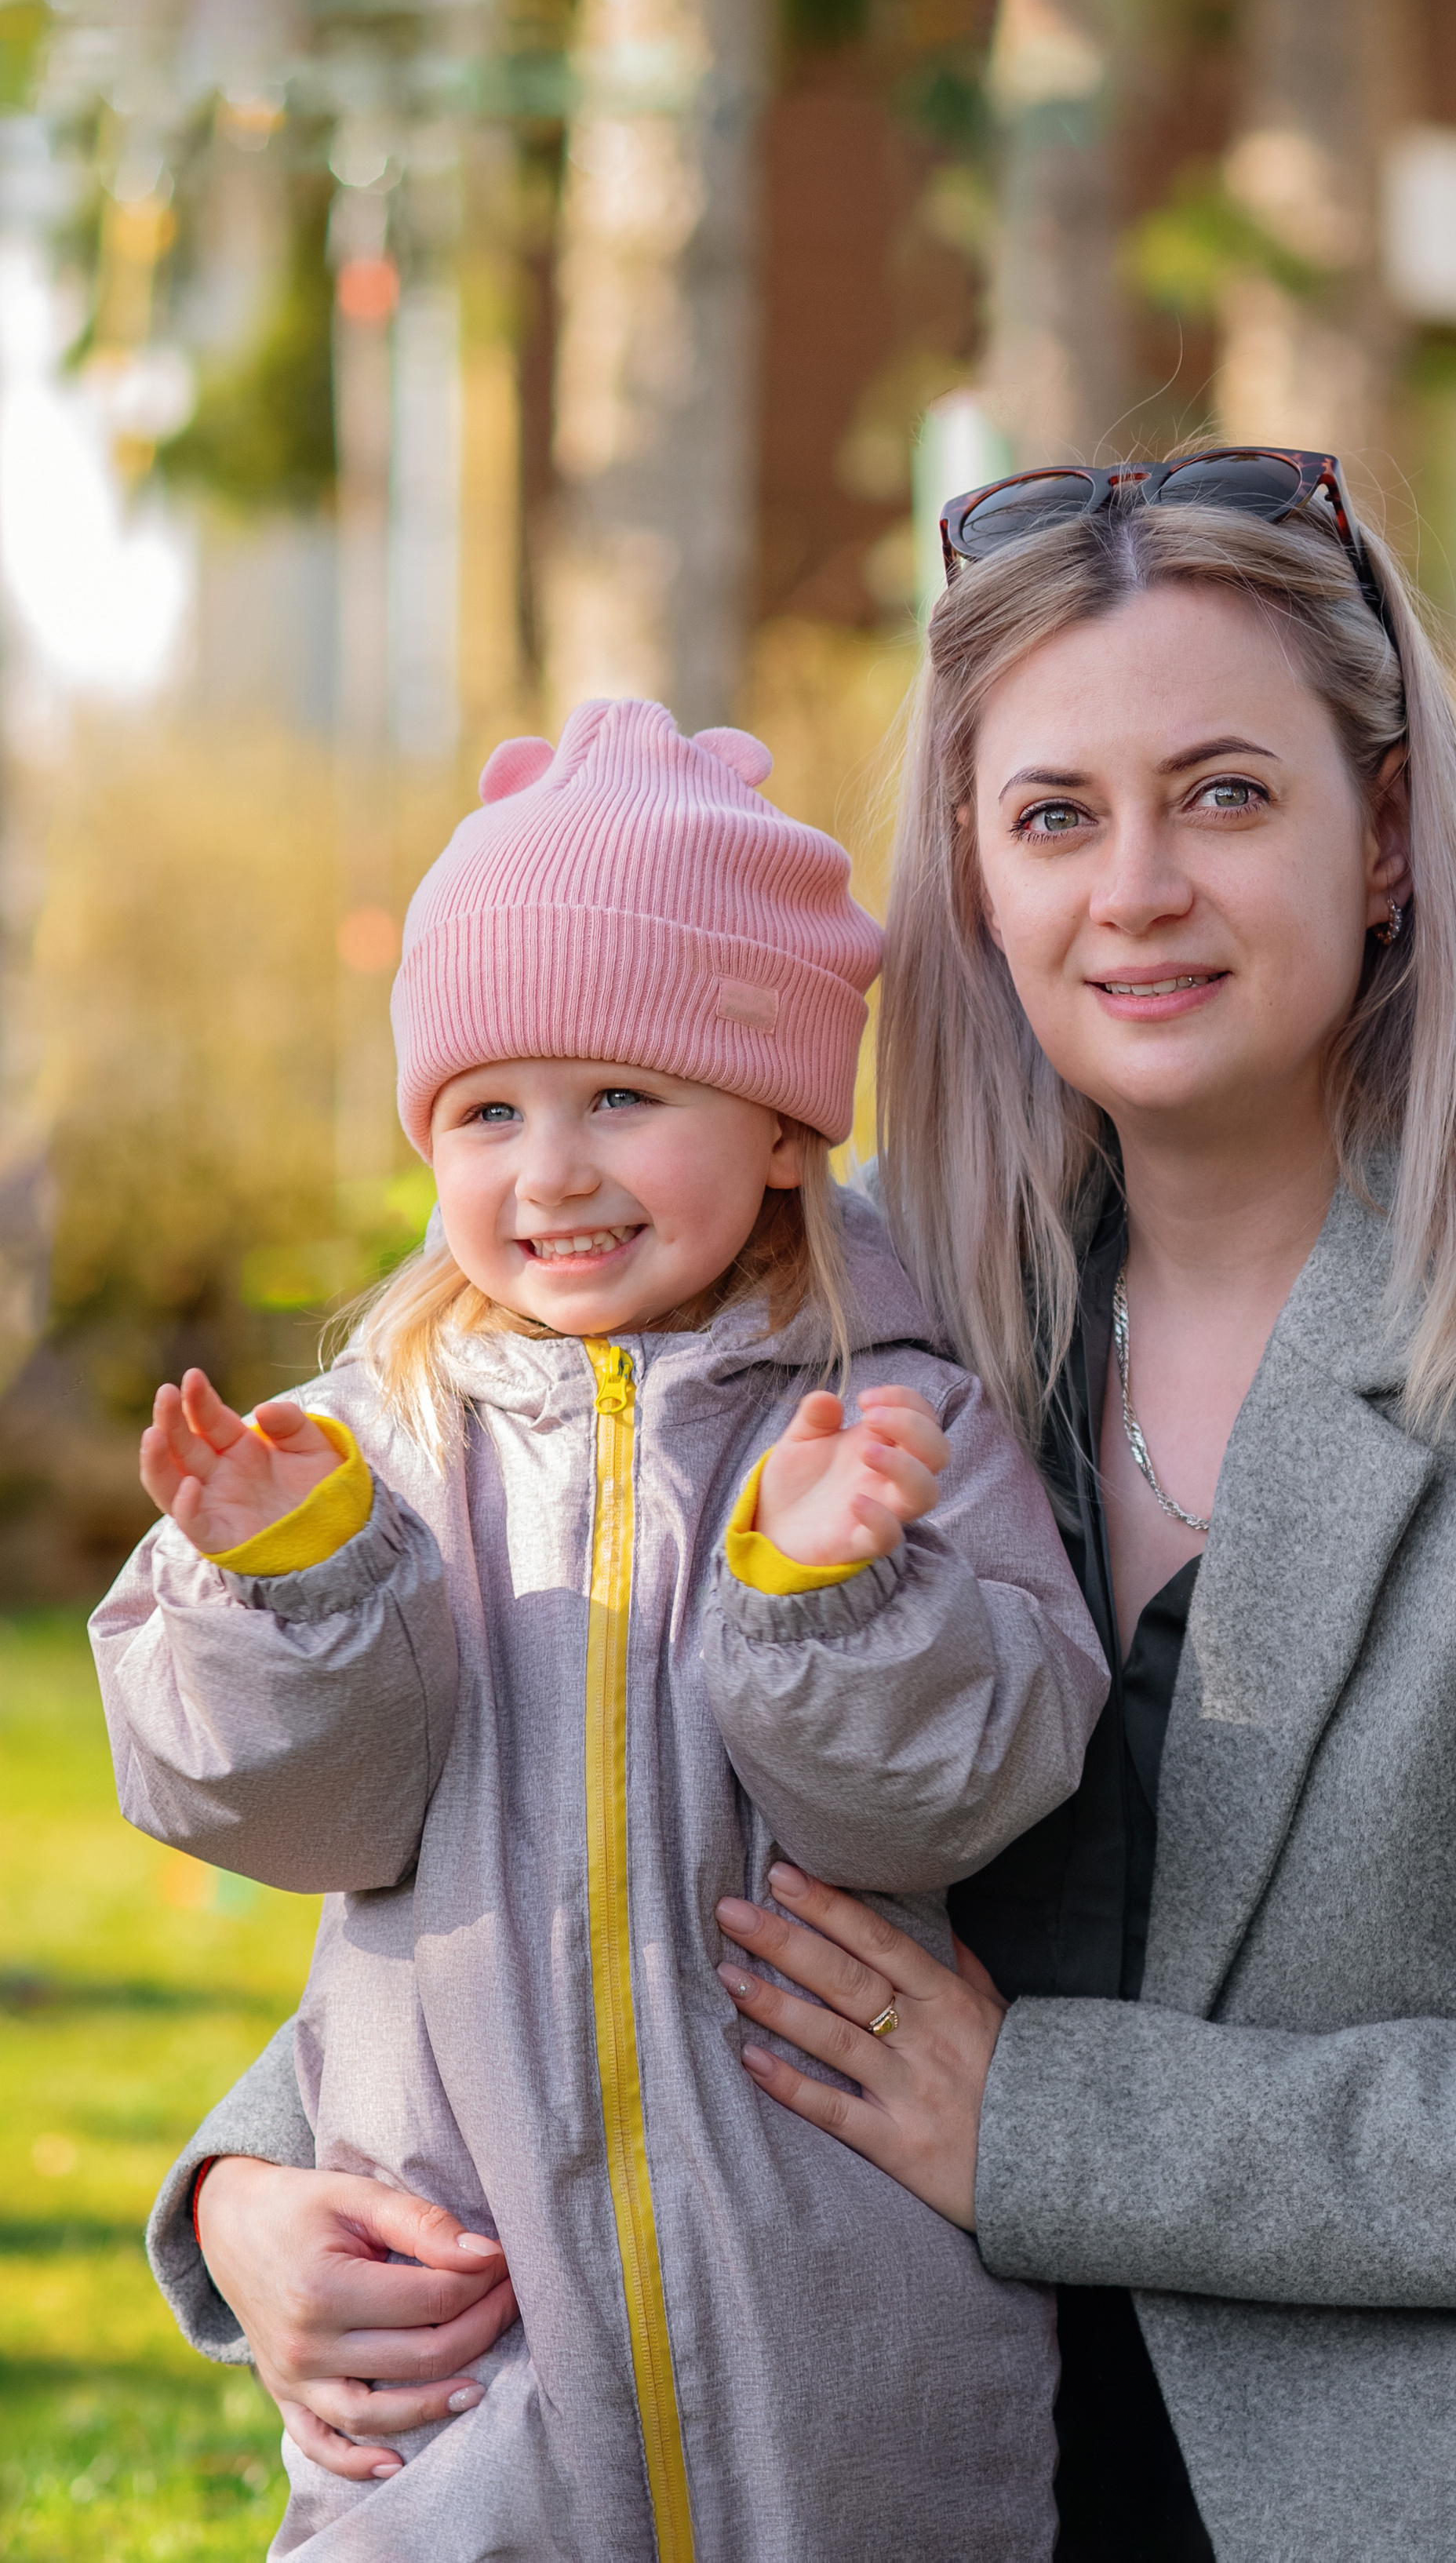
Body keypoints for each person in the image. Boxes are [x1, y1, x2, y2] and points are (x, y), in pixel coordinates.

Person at [151, 453, 1456, 2561]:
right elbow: (586, 1804)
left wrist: (1027, 2119)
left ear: (1385, 833)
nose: (1133, 888)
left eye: (1224, 794)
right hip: (981, 2457)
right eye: (1053, 816)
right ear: (973, 877)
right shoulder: (878, 1343)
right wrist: (257, 2188)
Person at [91, 697, 1108, 2562]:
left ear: (785, 1126)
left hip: (844, 2376)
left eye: (622, 1097)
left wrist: (828, 1593)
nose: (548, 1170)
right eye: (488, 1111)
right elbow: (291, 1814)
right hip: (464, 2365)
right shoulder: (369, 1446)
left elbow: (942, 1804)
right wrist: (294, 1583)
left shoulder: (894, 1425)